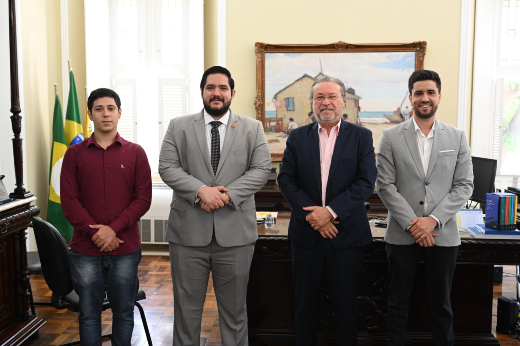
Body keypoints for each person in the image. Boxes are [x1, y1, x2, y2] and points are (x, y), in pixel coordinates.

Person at [158, 66, 271, 345]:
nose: (216, 93)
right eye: (210, 88)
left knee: (234, 312)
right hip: (187, 235)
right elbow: (167, 167)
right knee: (186, 312)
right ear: (202, 92)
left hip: (235, 235)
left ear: (232, 93)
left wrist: (226, 195)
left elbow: (261, 170)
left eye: (222, 88)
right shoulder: (178, 126)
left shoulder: (252, 128)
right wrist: (200, 191)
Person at [376, 70, 473, 346]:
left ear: (439, 96)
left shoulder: (456, 137)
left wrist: (432, 220)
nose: (425, 98)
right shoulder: (391, 137)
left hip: (443, 236)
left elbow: (464, 186)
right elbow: (385, 186)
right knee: (396, 303)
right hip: (401, 235)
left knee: (441, 306)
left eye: (430, 92)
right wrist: (414, 223)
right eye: (418, 93)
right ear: (410, 99)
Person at [277, 76, 377, 345]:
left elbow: (365, 182)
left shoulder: (361, 137)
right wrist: (314, 216)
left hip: (346, 238)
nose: (326, 102)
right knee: (305, 306)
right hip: (306, 236)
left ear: (344, 101)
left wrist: (330, 212)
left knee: (346, 308)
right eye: (319, 97)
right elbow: (286, 179)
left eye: (332, 96)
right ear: (312, 103)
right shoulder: (297, 137)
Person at [61, 88, 152, 346]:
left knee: (123, 313)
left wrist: (112, 230)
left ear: (120, 113)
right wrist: (98, 234)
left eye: (111, 108)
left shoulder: (136, 153)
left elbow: (143, 198)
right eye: (99, 109)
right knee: (89, 316)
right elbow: (69, 202)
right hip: (85, 252)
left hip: (125, 249)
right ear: (90, 114)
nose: (105, 114)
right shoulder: (74, 155)